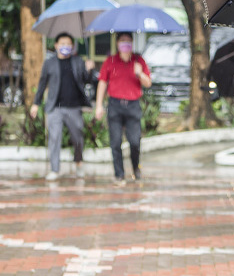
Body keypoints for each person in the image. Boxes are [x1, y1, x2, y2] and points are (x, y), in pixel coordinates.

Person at [30, 32, 96, 182]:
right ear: (56, 45)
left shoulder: (78, 61)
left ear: (72, 46)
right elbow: (42, 84)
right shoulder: (49, 63)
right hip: (55, 108)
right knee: (54, 138)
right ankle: (55, 169)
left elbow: (87, 80)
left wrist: (90, 69)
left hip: (74, 107)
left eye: (68, 44)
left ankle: (78, 163)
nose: (65, 46)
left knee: (78, 137)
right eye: (62, 44)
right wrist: (36, 103)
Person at [95, 32, 152, 186]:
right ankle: (119, 174)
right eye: (122, 41)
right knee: (115, 142)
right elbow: (102, 83)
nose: (125, 44)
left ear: (132, 43)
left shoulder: (138, 61)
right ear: (117, 43)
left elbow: (148, 83)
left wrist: (139, 73)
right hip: (114, 105)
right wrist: (99, 105)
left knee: (135, 142)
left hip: (133, 105)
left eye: (128, 41)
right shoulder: (110, 61)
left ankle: (136, 168)